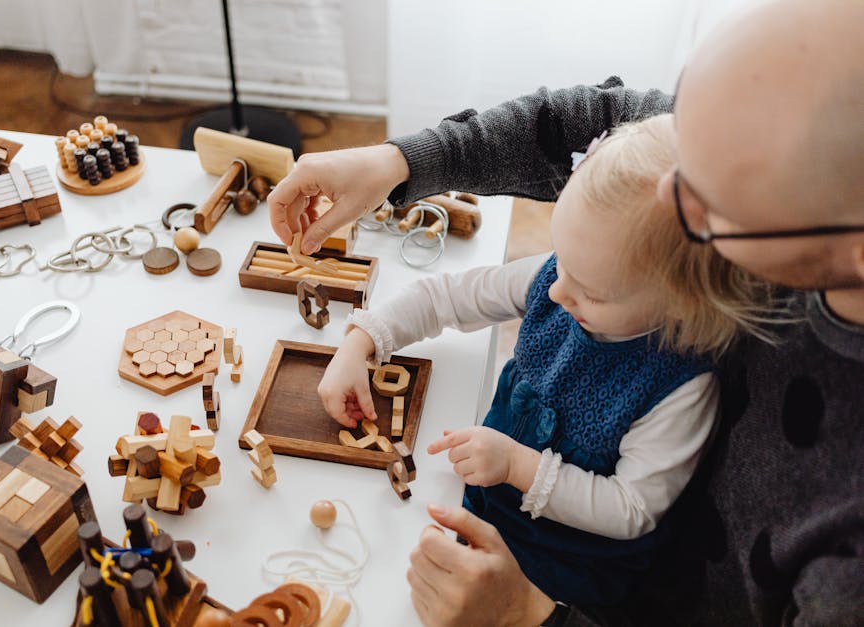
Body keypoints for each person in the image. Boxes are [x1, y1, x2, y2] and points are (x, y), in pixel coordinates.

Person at [269, 0, 864, 623]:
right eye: (683, 133)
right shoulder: (719, 187)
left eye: (708, 206)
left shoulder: (841, 564)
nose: (667, 197)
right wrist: (400, 163)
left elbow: (631, 510)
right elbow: (576, 133)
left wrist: (526, 616)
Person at [317, 113, 780, 607]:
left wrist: (518, 464)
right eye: (561, 262)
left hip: (570, 563)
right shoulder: (563, 276)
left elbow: (632, 509)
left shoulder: (684, 385)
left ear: (681, 301)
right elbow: (445, 298)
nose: (557, 291)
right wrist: (362, 340)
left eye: (589, 291)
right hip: (486, 490)